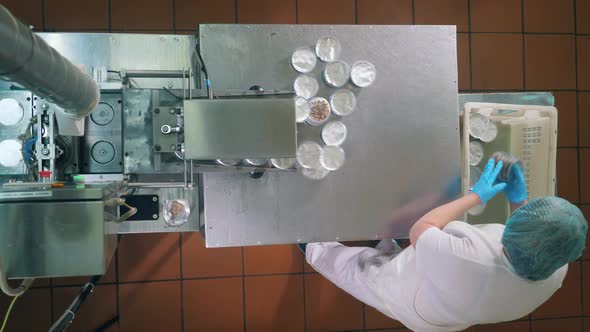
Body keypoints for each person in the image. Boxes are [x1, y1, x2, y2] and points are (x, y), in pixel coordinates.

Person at [302, 159, 588, 332]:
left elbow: (420, 230)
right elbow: (529, 238)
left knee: (359, 271)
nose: (516, 218)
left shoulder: (471, 262)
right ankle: (384, 245)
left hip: (411, 297)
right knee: (405, 253)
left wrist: (476, 196)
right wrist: (517, 200)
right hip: (451, 305)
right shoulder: (554, 268)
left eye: (522, 216)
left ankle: (312, 247)